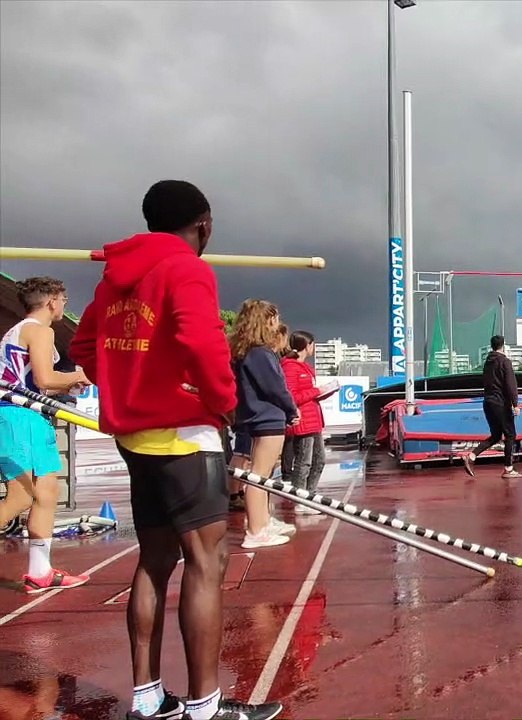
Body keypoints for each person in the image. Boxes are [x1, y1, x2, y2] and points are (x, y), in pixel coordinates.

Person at [69, 179, 283, 720]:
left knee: (155, 559)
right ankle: (206, 707)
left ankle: (147, 699)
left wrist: (129, 383)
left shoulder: (112, 278)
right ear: (204, 224)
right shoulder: (187, 268)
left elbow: (85, 347)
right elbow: (200, 341)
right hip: (186, 433)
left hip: (135, 436)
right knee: (207, 561)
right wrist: (225, 400)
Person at [0, 276, 91, 594]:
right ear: (52, 300)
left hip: (27, 417)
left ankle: (40, 571)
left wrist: (68, 380)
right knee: (21, 496)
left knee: (47, 492)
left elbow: (40, 379)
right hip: (21, 417)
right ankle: (39, 570)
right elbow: (45, 378)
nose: (65, 304)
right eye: (63, 298)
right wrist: (77, 375)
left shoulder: (19, 331)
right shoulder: (39, 331)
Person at [228, 299, 297, 548]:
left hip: (258, 416)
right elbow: (275, 388)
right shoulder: (260, 353)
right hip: (267, 417)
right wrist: (291, 409)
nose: (277, 323)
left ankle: (262, 521)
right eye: (275, 318)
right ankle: (256, 530)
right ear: (266, 320)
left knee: (261, 473)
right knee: (259, 475)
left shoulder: (244, 351)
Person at [280, 330, 336, 514]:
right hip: (303, 422)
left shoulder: (305, 367)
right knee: (304, 462)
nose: (314, 348)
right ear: (307, 345)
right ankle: (300, 501)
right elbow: (291, 396)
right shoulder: (290, 367)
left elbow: (308, 394)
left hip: (314, 421)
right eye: (313, 344)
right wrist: (316, 391)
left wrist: (326, 391)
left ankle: (310, 497)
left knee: (319, 460)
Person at [461, 335, 522, 479]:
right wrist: (515, 404)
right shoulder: (504, 362)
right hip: (500, 403)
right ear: (503, 345)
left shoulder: (488, 362)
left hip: (488, 402)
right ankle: (508, 469)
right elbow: (510, 384)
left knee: (496, 435)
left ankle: (471, 456)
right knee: (510, 435)